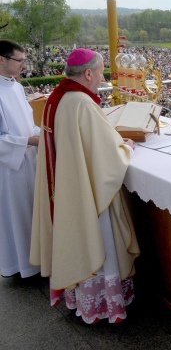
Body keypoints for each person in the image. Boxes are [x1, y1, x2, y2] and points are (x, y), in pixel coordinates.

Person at [30, 48, 140, 324]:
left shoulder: (57, 98)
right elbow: (106, 155)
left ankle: (84, 299)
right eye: (101, 71)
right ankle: (104, 303)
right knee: (97, 240)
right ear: (88, 73)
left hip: (68, 187)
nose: (102, 76)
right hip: (87, 192)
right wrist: (124, 147)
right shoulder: (81, 102)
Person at [0, 39, 41, 278]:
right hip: (9, 166)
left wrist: (40, 132)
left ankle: (35, 261)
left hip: (29, 158)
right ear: (2, 59)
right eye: (19, 60)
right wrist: (27, 141)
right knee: (15, 214)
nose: (23, 65)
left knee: (30, 211)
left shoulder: (15, 86)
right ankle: (17, 265)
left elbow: (26, 122)